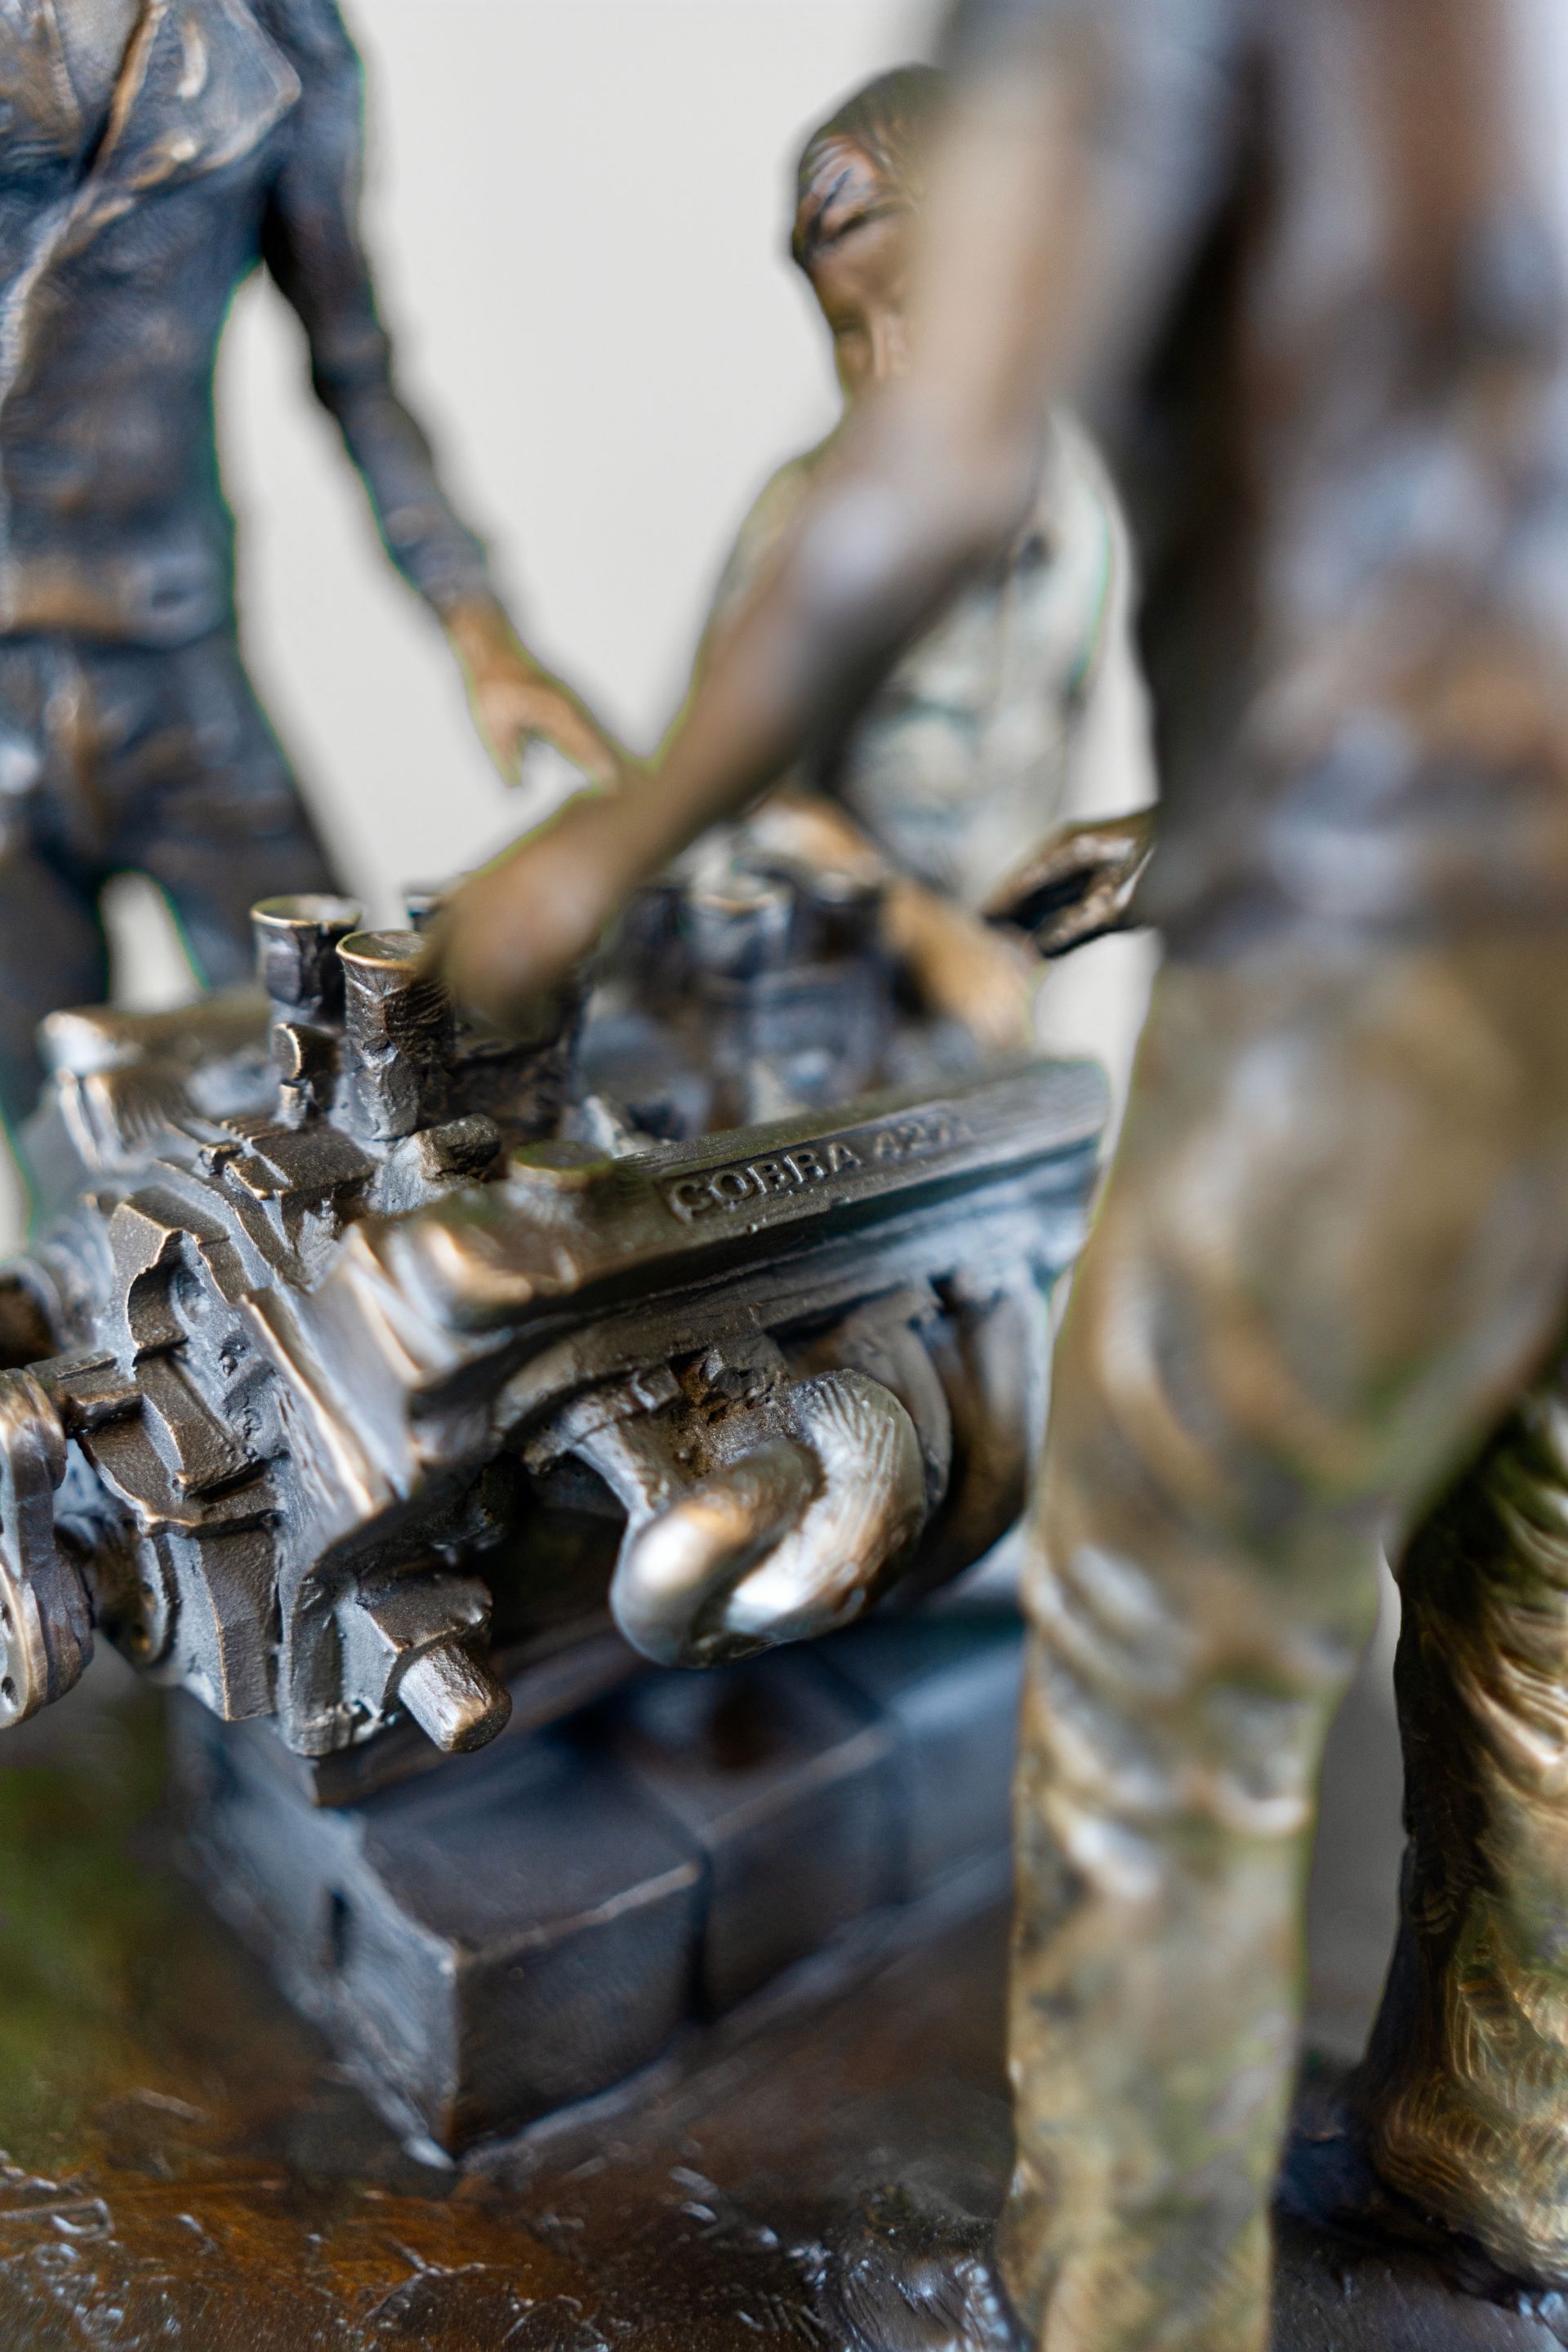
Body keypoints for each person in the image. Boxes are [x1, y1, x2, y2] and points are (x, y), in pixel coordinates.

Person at [434, 2, 1568, 2348]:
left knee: (1167, 1685)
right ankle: (1510, 2143)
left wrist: (587, 859)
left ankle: (1121, 2307)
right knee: (1529, 1614)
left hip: (1376, 1005)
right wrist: (1186, 836)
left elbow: (928, 483)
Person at [0, 0, 621, 1147]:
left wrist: (479, 628)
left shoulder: (283, 41)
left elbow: (357, 371)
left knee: (351, 1056)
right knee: (53, 1137)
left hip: (174, 660)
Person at [683, 65, 1154, 1067]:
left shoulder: (1079, 507)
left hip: (998, 1001)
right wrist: (915, 924)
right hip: (823, 1014)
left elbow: (1056, 726)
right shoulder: (808, 524)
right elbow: (740, 787)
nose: (891, 366)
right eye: (850, 332)